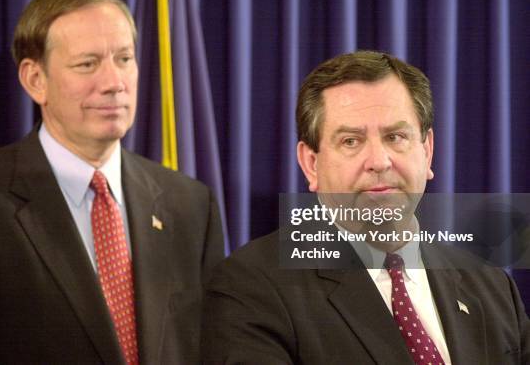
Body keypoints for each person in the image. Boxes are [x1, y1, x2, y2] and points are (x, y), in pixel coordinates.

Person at [0, 0, 224, 364]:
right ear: (35, 80)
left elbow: (211, 345)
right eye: (87, 63)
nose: (114, 83)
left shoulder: (190, 203)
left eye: (124, 59)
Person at [201, 50, 530, 364]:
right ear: (311, 164)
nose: (378, 161)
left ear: (427, 151)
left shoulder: (490, 284)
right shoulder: (251, 286)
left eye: (395, 137)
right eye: (350, 141)